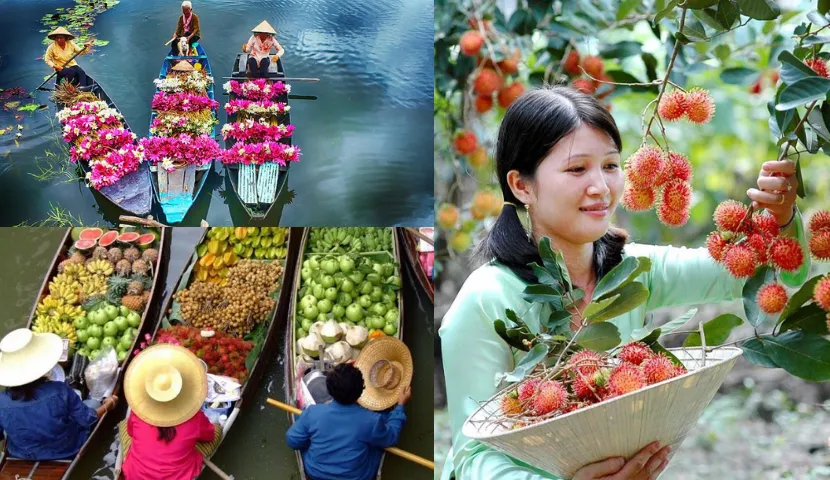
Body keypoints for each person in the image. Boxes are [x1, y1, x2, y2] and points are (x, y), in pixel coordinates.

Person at [438, 86, 810, 480]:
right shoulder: (484, 302)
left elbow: (764, 277)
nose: (600, 186)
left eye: (611, 166)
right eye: (577, 169)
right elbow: (472, 459)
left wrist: (782, 218)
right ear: (521, 185)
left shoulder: (633, 270)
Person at [286, 337, 413, 480]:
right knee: (381, 429)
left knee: (301, 419)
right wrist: (400, 406)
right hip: (359, 476)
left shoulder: (312, 413)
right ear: (361, 392)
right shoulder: (371, 420)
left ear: (330, 389)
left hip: (316, 473)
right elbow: (391, 437)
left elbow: (292, 440)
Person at [0, 328, 118, 460]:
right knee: (93, 402)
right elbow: (87, 419)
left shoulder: (1, 400)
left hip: (21, 454)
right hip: (67, 450)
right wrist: (108, 405)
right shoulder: (59, 390)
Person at [120, 344, 221, 480]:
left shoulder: (138, 413)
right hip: (179, 476)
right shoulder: (194, 418)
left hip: (136, 475)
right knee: (217, 430)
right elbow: (209, 436)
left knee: (124, 427)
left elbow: (131, 432)